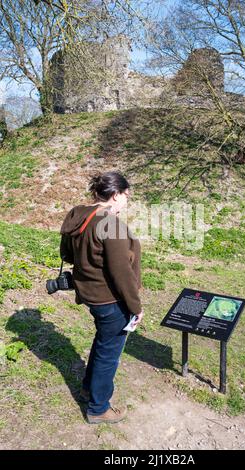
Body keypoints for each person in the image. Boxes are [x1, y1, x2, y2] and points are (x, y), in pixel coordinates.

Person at [59, 171, 143, 424]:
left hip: (90, 294)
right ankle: (98, 409)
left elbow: (67, 254)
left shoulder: (78, 214)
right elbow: (121, 274)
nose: (127, 201)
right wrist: (135, 306)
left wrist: (89, 263)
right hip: (109, 299)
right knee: (109, 353)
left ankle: (88, 389)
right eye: (126, 196)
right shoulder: (110, 224)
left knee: (103, 343)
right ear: (116, 195)